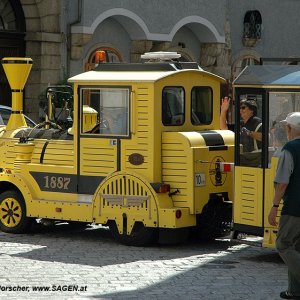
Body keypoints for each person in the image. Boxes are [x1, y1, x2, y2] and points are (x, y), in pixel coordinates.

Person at [268, 112, 300, 300]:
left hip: (294, 207)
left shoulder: (290, 148)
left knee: (283, 244)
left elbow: (282, 183)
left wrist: (274, 206)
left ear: (290, 129)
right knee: (296, 247)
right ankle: (294, 291)